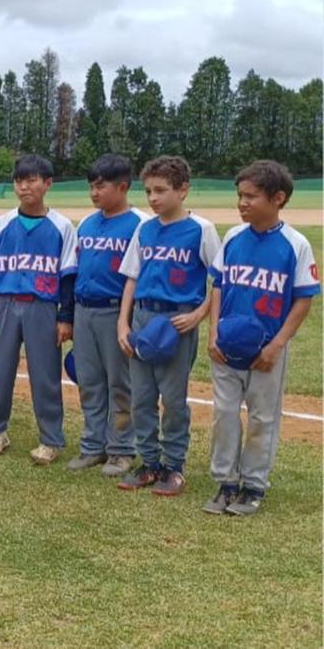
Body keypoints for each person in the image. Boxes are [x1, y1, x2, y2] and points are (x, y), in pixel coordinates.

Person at [204, 160, 318, 515]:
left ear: (278, 198)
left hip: (266, 350)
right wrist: (213, 333)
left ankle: (253, 485)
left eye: (251, 197)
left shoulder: (294, 244)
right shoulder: (234, 237)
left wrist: (277, 344)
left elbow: (303, 299)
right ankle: (225, 482)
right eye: (240, 196)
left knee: (262, 418)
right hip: (226, 348)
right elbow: (219, 285)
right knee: (223, 414)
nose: (242, 203)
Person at [116, 155, 220, 496]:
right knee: (141, 397)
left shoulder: (201, 229)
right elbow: (132, 278)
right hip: (144, 318)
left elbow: (220, 282)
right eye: (148, 191)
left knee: (173, 400)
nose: (153, 198)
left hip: (178, 320)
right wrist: (123, 323)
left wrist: (199, 314)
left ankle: (174, 466)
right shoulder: (145, 229)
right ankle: (149, 463)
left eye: (161, 190)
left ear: (183, 190)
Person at [0, 154, 77, 465]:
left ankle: (50, 439)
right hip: (5, 304)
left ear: (47, 184)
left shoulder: (62, 227)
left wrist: (64, 317)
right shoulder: (2, 224)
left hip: (43, 306)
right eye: (19, 181)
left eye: (32, 180)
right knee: (1, 371)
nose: (24, 186)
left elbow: (68, 277)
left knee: (45, 375)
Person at [67, 154, 146, 477]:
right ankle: (92, 446)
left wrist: (125, 320)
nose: (94, 193)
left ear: (123, 186)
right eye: (91, 187)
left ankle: (121, 450)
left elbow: (139, 276)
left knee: (120, 384)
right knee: (88, 382)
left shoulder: (139, 224)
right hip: (84, 309)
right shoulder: (87, 223)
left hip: (116, 310)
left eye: (101, 186)